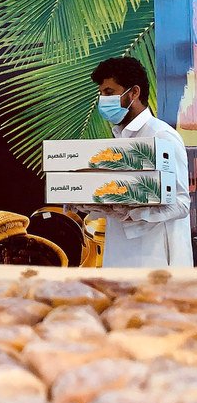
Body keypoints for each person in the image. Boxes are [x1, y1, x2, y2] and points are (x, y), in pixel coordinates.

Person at [81, 56, 193, 266]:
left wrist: (133, 214)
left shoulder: (162, 136)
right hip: (118, 253)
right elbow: (115, 199)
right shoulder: (117, 139)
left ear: (134, 92)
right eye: (101, 94)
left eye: (108, 92)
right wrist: (92, 204)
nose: (102, 100)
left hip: (156, 257)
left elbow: (181, 203)